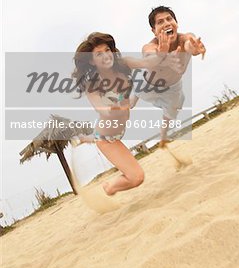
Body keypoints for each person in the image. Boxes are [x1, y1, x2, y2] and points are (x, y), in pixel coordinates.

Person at [72, 32, 180, 196]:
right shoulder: (92, 85)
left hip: (120, 127)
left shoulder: (124, 64)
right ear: (91, 61)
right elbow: (102, 110)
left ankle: (85, 138)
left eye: (107, 50)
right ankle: (108, 188)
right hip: (107, 138)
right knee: (137, 177)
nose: (106, 56)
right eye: (98, 54)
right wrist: (113, 109)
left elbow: (148, 63)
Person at [130, 6, 206, 148]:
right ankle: (130, 97)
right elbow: (149, 55)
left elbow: (189, 44)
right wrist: (161, 55)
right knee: (129, 103)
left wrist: (194, 49)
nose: (166, 23)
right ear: (154, 31)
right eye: (160, 22)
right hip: (147, 85)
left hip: (173, 88)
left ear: (176, 23)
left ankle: (163, 137)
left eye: (169, 19)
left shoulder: (185, 38)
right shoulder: (150, 46)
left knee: (172, 111)